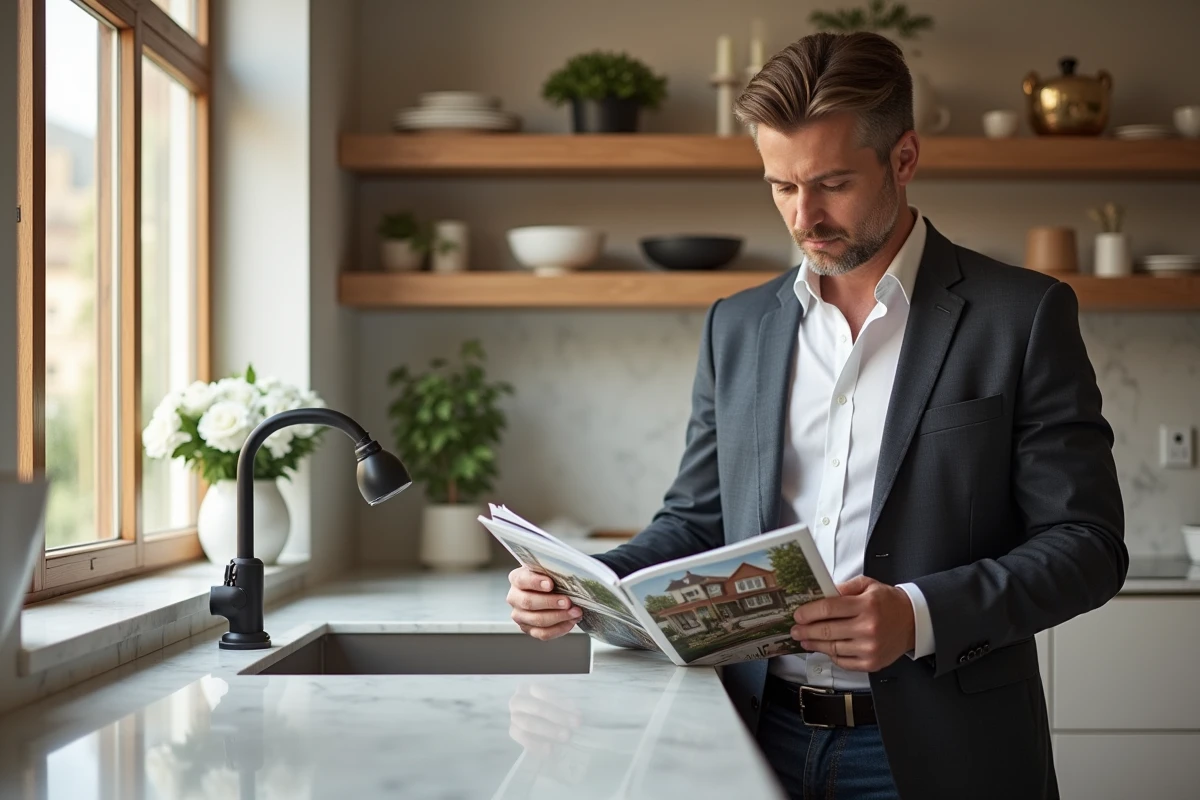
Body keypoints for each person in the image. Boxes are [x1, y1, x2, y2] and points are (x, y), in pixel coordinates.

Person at [505, 31, 1127, 800]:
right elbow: (698, 521)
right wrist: (584, 584)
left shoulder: (1021, 315)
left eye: (832, 183)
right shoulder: (736, 326)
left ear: (904, 158)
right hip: (748, 735)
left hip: (940, 754)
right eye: (781, 186)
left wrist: (917, 615)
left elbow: (1089, 546)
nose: (805, 217)